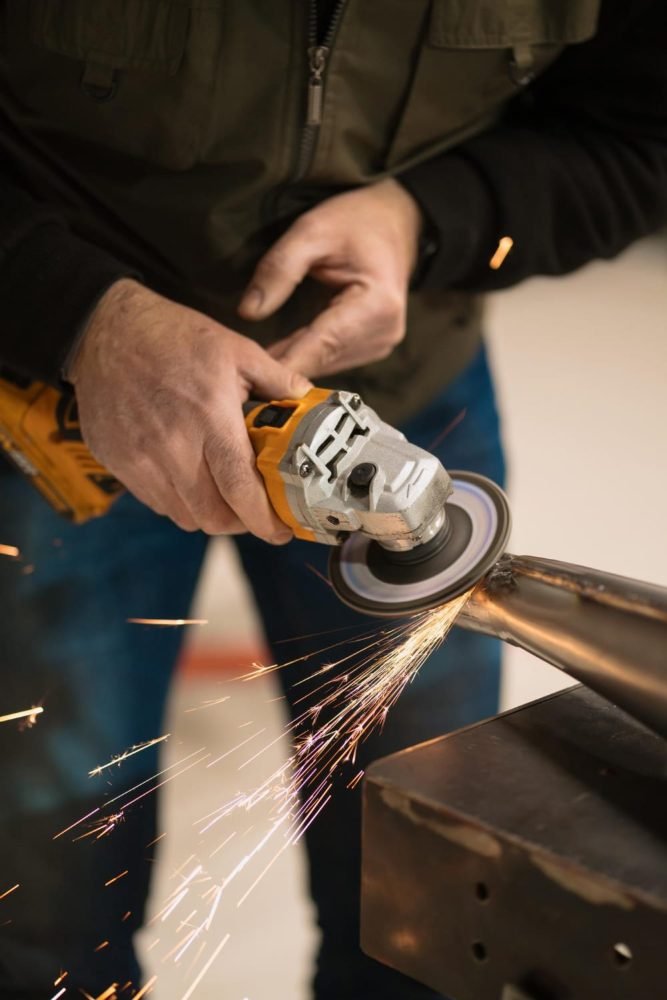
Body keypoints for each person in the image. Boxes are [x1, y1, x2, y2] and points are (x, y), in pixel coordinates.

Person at [0, 1, 665, 996]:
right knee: (48, 910)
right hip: (65, 399)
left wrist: (428, 217)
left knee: (428, 902)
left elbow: (643, 140)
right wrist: (76, 311)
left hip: (412, 373)